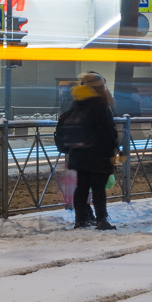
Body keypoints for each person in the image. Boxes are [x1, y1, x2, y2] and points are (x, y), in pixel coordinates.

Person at [56, 71, 119, 230]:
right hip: (98, 155)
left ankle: (80, 220)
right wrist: (113, 152)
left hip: (78, 154)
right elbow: (107, 132)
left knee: (82, 187)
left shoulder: (77, 102)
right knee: (98, 189)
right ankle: (101, 220)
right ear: (99, 88)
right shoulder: (100, 105)